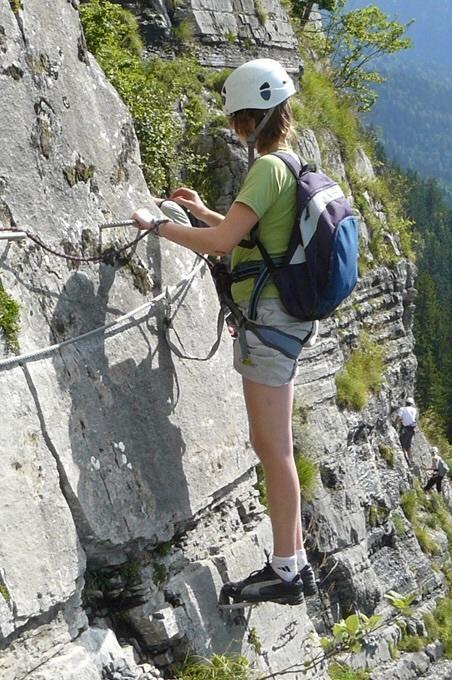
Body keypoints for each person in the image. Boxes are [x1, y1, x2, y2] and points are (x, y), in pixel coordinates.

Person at [131, 58, 315, 608]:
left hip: (270, 327)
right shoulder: (289, 163)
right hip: (288, 319)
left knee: (272, 448)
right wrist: (201, 210)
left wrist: (159, 226)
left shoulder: (266, 170)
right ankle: (295, 560)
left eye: (237, 118)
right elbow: (247, 235)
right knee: (274, 446)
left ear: (251, 119)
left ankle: (286, 570)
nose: (234, 127)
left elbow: (220, 246)